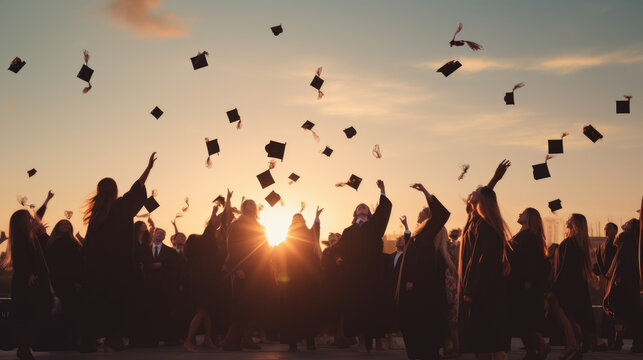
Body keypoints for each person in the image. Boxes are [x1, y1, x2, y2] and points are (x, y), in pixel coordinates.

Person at [80, 152, 156, 352]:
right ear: (114, 190)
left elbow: (89, 244)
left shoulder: (96, 214)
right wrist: (148, 169)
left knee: (98, 303)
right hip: (119, 267)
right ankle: (114, 338)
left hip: (98, 269)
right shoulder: (121, 205)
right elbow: (136, 189)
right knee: (118, 303)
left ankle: (91, 339)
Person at [336, 179, 392, 352]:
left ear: (369, 213)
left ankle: (375, 341)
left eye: (365, 206)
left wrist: (382, 190)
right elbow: (340, 249)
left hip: (372, 276)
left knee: (374, 308)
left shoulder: (374, 226)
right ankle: (361, 342)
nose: (362, 207)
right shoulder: (348, 231)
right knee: (357, 309)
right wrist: (338, 257)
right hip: (354, 278)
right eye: (359, 206)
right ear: (355, 213)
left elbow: (383, 213)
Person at [396, 183, 451, 360]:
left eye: (424, 210)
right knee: (414, 324)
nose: (420, 212)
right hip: (415, 287)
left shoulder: (428, 230)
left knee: (422, 324)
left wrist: (426, 192)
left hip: (420, 288)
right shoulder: (418, 233)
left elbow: (443, 214)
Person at [460, 186, 512, 360]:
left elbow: (482, 261)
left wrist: (471, 289)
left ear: (482, 199)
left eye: (477, 190)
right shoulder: (478, 221)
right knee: (484, 342)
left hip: (485, 291)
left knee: (489, 342)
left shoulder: (485, 225)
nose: (472, 191)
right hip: (485, 289)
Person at [221, 196, 273, 351]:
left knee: (253, 306)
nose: (251, 205)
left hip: (257, 271)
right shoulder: (237, 223)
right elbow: (232, 247)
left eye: (253, 203)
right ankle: (230, 341)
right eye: (248, 204)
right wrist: (237, 268)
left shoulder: (257, 225)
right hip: (242, 269)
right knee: (240, 307)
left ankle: (247, 339)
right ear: (243, 207)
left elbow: (264, 246)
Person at [183, 189, 233, 352]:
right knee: (202, 311)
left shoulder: (197, 254)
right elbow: (212, 226)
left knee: (206, 311)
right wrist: (218, 207)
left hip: (204, 281)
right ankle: (188, 341)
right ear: (194, 241)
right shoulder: (202, 244)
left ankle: (207, 339)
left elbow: (214, 228)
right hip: (203, 282)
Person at [3, 209, 53, 360]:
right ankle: (24, 348)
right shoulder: (21, 238)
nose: (31, 219)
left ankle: (25, 347)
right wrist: (29, 274)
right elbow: (21, 259)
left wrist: (42, 234)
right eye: (28, 218)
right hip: (27, 283)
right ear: (21, 222)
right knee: (29, 314)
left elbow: (43, 252)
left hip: (32, 281)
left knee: (32, 314)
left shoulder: (30, 236)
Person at [276, 206, 323, 351]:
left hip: (308, 277)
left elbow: (315, 233)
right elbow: (281, 257)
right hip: (291, 279)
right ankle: (292, 343)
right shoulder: (287, 237)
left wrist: (316, 218)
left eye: (300, 218)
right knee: (291, 310)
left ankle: (310, 340)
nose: (298, 219)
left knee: (309, 309)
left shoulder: (308, 233)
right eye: (295, 218)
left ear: (304, 221)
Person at [551, 214, 596, 359]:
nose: (567, 220)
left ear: (575, 223)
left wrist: (555, 286)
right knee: (569, 315)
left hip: (567, 284)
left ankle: (572, 345)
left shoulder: (570, 243)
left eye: (570, 218)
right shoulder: (578, 243)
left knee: (562, 313)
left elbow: (565, 267)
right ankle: (574, 344)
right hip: (575, 284)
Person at [507, 208, 547, 360]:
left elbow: (531, 262)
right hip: (517, 282)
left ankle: (536, 348)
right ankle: (536, 347)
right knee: (523, 319)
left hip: (524, 284)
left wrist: (528, 281)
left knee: (525, 318)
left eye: (523, 213)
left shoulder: (530, 237)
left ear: (529, 217)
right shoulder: (523, 235)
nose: (519, 214)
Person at [602, 218, 642, 353]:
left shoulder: (627, 240)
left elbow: (621, 261)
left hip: (622, 281)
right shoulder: (637, 241)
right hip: (633, 282)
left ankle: (619, 339)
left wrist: (616, 278)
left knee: (617, 310)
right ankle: (632, 342)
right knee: (631, 312)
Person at [43, 219, 83, 350]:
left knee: (71, 311)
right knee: (61, 310)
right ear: (57, 227)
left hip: (71, 281)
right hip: (59, 280)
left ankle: (70, 341)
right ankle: (61, 342)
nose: (65, 226)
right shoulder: (52, 243)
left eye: (67, 224)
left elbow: (77, 262)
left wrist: (77, 280)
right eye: (62, 224)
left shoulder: (73, 242)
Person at [142, 227, 180, 346]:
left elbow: (175, 267)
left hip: (164, 287)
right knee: (150, 313)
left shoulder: (170, 252)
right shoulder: (145, 249)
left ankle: (167, 338)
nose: (160, 235)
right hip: (148, 286)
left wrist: (162, 265)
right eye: (158, 233)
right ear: (153, 234)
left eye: (163, 234)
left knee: (164, 312)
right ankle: (150, 338)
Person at [444, 228, 461, 358]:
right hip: (449, 282)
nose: (454, 235)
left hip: (453, 283)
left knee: (452, 320)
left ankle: (456, 348)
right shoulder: (448, 245)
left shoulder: (458, 246)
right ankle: (450, 347)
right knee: (449, 320)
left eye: (456, 233)